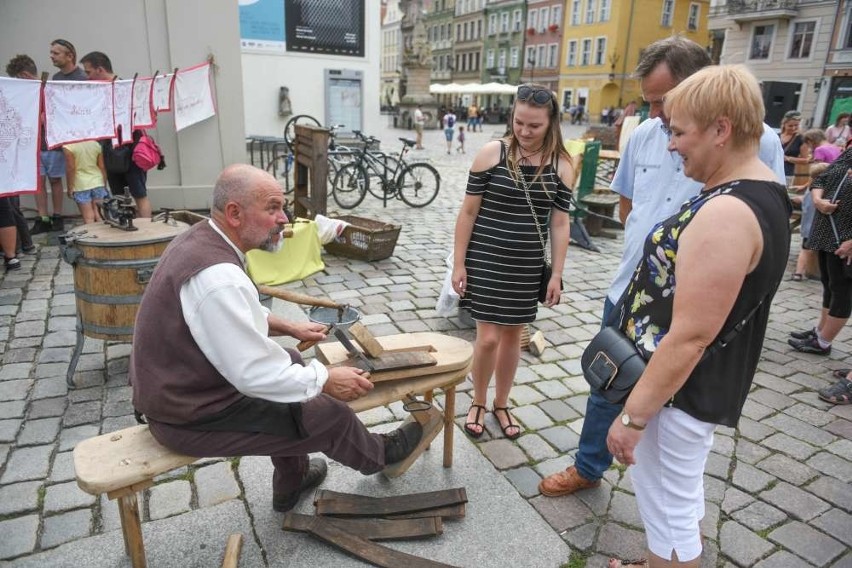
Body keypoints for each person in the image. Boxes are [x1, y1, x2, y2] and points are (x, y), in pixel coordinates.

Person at [539, 36, 786, 502]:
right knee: (607, 382)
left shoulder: (760, 143)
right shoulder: (647, 134)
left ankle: (650, 488)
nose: (657, 117)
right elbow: (626, 200)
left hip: (690, 309)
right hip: (631, 286)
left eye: (664, 103)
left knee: (669, 426)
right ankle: (588, 466)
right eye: (652, 104)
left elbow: (758, 223)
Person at [130, 164, 435, 512]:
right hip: (187, 416)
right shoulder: (218, 277)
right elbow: (252, 373)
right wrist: (325, 380)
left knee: (290, 359)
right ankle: (381, 456)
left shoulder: (203, 236)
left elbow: (233, 317)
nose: (284, 218)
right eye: (272, 208)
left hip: (180, 393)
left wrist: (288, 327)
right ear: (234, 213)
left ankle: (291, 482)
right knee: (326, 414)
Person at [601, 64, 791, 568]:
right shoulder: (762, 188)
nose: (671, 144)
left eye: (679, 131)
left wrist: (633, 417)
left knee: (669, 511)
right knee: (677, 499)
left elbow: (690, 336)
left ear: (721, 129)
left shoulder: (727, 213)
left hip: (677, 392)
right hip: (689, 387)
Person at [453, 83, 573, 440]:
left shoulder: (562, 165)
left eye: (534, 125)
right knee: (487, 339)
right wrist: (459, 263)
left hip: (526, 265)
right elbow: (468, 212)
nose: (524, 131)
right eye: (519, 122)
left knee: (512, 338)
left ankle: (501, 403)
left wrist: (557, 275)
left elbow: (560, 222)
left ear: (551, 123)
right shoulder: (492, 153)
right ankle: (478, 399)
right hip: (486, 259)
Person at [788, 148, 852, 357]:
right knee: (829, 284)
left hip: (846, 235)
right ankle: (820, 332)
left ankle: (824, 342)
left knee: (842, 290)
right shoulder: (848, 153)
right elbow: (820, 179)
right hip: (828, 229)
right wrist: (818, 201)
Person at [80, 51, 153, 218]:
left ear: (100, 69)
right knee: (119, 195)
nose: (87, 77)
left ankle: (147, 233)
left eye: (89, 72)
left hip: (131, 150)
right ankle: (126, 230)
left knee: (139, 194)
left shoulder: (125, 88)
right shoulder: (99, 93)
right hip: (110, 150)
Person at [5, 54, 69, 234]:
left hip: (51, 144)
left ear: (24, 75)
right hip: (31, 146)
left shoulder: (48, 88)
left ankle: (57, 216)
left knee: (55, 180)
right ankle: (43, 218)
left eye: (18, 78)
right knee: (37, 183)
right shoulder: (22, 93)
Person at [790, 162, 829, 281]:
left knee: (805, 250)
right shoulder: (826, 191)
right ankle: (822, 273)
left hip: (808, 227)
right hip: (820, 226)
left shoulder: (810, 189)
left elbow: (806, 200)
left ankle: (798, 273)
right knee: (822, 252)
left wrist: (800, 199)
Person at [63, 141, 108, 224]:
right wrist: (104, 183)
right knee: (99, 213)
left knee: (88, 216)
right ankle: (102, 234)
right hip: (97, 181)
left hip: (80, 184)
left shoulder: (68, 147)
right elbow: (101, 166)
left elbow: (71, 168)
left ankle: (92, 234)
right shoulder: (96, 144)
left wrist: (70, 188)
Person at [780, 110, 810, 186]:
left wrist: (788, 158)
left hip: (786, 174)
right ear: (784, 124)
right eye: (790, 126)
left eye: (796, 125)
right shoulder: (776, 136)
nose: (793, 128)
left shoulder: (801, 139)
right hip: (771, 171)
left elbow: (805, 160)